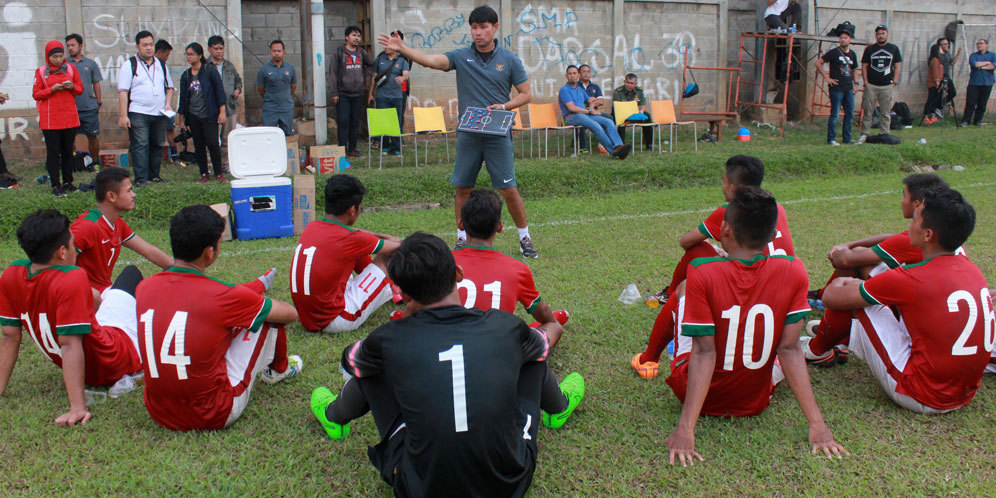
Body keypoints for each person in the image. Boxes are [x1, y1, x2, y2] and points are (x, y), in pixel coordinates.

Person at [309, 232, 585, 496]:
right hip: (509, 483)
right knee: (531, 355)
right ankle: (558, 407)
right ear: (458, 275)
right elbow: (544, 345)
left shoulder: (388, 338)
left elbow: (350, 360)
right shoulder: (506, 327)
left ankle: (334, 416)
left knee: (370, 366)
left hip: (418, 489)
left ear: (404, 294)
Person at [661, 187, 846, 466]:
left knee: (685, 292)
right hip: (754, 402)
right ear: (772, 237)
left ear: (724, 230)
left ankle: (653, 355)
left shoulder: (701, 270)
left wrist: (685, 430)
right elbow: (790, 350)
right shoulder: (795, 269)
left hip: (692, 391)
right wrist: (817, 425)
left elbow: (704, 353)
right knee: (786, 347)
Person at [377, 5, 539, 258]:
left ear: (495, 28)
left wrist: (504, 106)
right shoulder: (461, 56)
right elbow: (432, 61)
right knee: (463, 188)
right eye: (474, 27)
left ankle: (525, 238)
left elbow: (527, 94)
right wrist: (402, 49)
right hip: (469, 134)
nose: (478, 33)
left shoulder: (509, 59)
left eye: (483, 27)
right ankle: (462, 239)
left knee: (508, 190)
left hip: (498, 135)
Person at [820, 187, 993, 414]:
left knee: (859, 298)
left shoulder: (914, 277)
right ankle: (832, 343)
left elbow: (831, 298)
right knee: (878, 295)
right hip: (964, 395)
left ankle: (816, 350)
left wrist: (843, 285)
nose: (910, 225)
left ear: (928, 235)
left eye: (916, 219)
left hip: (921, 395)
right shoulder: (973, 270)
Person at [137, 205, 301, 431]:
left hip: (158, 411)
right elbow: (289, 314)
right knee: (266, 319)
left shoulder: (144, 287)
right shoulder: (222, 294)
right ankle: (279, 370)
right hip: (213, 412)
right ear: (210, 252)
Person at [632, 155, 794, 378]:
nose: (722, 185)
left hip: (748, 293)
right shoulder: (777, 210)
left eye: (724, 181)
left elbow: (685, 242)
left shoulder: (730, 213)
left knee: (688, 281)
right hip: (781, 303)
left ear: (733, 186)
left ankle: (649, 356)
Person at [0, 210, 146, 426]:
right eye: (72, 243)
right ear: (62, 251)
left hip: (84, 365)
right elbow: (69, 344)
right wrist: (77, 407)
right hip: (118, 359)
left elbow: (9, 338)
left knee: (100, 298)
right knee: (131, 275)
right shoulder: (71, 277)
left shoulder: (12, 273)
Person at [803, 174, 958, 366]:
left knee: (851, 281)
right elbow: (895, 238)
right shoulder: (944, 235)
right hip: (944, 329)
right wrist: (851, 244)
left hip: (918, 354)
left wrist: (841, 254)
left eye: (904, 195)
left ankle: (825, 345)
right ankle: (838, 335)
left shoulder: (920, 245)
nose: (901, 201)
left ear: (917, 204)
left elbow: (844, 262)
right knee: (862, 261)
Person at [453, 189, 570, 346]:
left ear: (460, 224)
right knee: (554, 327)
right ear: (500, 227)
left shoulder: (442, 262)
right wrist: (551, 321)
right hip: (499, 353)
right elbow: (543, 313)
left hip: (449, 346)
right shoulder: (517, 268)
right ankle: (554, 321)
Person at [290, 174, 400, 333]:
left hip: (307, 318)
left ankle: (389, 289)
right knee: (387, 258)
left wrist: (382, 237)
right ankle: (401, 290)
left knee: (358, 251)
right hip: (337, 319)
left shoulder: (312, 226)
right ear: (353, 209)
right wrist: (393, 239)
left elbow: (355, 234)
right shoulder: (349, 238)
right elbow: (400, 247)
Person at [70, 167, 173, 303]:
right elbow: (59, 266)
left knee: (146, 284)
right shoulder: (87, 226)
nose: (133, 194)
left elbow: (149, 251)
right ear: (111, 196)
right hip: (92, 299)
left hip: (106, 291)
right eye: (129, 190)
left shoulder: (116, 223)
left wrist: (182, 271)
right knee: (138, 283)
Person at [117, 31, 174, 188]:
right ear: (137, 46)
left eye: (151, 44)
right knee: (140, 145)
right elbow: (123, 91)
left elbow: (170, 87)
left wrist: (168, 104)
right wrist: (123, 115)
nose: (149, 48)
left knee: (157, 143)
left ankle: (154, 175)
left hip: (159, 112)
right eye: (145, 45)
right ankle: (141, 178)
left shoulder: (161, 65)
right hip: (138, 112)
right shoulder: (129, 65)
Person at [33, 40, 83, 197]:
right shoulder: (41, 72)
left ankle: (68, 182)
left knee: (68, 151)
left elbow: (80, 89)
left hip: (69, 117)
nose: (58, 59)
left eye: (61, 56)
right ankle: (56, 184)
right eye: (55, 56)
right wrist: (51, 90)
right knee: (53, 153)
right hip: (50, 120)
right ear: (48, 57)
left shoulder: (70, 68)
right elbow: (36, 94)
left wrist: (71, 87)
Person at [177, 42, 227, 183]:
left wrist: (221, 111)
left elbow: (219, 91)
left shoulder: (209, 71)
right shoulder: (186, 75)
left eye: (192, 54)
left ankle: (218, 173)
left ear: (199, 55)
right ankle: (204, 173)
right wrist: (182, 120)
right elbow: (183, 98)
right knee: (198, 145)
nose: (189, 57)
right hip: (193, 115)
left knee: (212, 143)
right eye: (187, 54)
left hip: (209, 114)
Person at [559, 65, 631, 159]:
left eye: (574, 73)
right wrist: (588, 111)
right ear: (566, 76)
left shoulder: (580, 89)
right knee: (595, 125)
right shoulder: (564, 90)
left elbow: (591, 101)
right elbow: (572, 108)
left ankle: (619, 146)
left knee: (608, 121)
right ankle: (613, 150)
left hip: (585, 115)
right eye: (570, 73)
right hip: (572, 117)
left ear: (578, 75)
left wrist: (592, 106)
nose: (572, 75)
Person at [331, 26, 374, 158]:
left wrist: (363, 73)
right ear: (347, 37)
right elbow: (332, 73)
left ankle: (352, 149)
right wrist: (334, 92)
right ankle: (342, 150)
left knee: (355, 122)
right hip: (343, 94)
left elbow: (373, 65)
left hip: (358, 94)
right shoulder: (339, 52)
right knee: (343, 122)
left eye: (358, 36)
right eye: (354, 35)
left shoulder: (362, 53)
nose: (357, 38)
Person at [368, 30, 409, 156]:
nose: (386, 47)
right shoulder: (380, 58)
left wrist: (402, 78)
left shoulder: (402, 60)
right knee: (383, 121)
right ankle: (384, 146)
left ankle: (396, 148)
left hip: (397, 97)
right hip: (382, 97)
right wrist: (371, 94)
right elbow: (374, 77)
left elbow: (406, 74)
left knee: (396, 121)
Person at [859, 25, 902, 142]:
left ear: (887, 34)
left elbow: (897, 65)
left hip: (887, 85)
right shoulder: (870, 49)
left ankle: (884, 133)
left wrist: (895, 80)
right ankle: (865, 134)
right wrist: (866, 82)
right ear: (875, 35)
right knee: (868, 111)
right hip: (872, 85)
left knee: (885, 111)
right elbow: (864, 66)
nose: (881, 36)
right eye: (878, 34)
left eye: (883, 33)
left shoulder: (893, 49)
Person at [65, 34, 103, 164]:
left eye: (73, 45)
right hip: (70, 108)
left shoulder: (90, 64)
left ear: (80, 46)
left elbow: (96, 83)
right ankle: (73, 162)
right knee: (69, 138)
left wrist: (98, 101)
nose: (70, 48)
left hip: (89, 107)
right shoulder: (64, 65)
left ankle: (95, 162)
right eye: (68, 46)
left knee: (92, 136)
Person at [817, 30, 858, 145]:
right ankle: (831, 139)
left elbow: (854, 69)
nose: (843, 39)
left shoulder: (852, 54)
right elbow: (818, 63)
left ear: (850, 40)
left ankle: (847, 138)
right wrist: (826, 77)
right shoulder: (834, 52)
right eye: (841, 38)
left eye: (845, 37)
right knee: (834, 114)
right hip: (836, 88)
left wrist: (857, 84)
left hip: (848, 88)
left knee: (849, 113)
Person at [206, 35, 243, 161]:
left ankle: (226, 164)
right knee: (212, 140)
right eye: (216, 48)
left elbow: (238, 80)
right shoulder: (206, 66)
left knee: (228, 139)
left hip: (229, 107)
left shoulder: (229, 66)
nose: (219, 51)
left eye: (221, 48)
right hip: (213, 110)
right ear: (210, 49)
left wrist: (238, 89)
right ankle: (210, 165)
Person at [257, 40, 297, 136]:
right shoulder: (264, 70)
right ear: (270, 52)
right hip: (270, 109)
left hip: (286, 108)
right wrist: (270, 99)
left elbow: (293, 86)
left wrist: (285, 97)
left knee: (288, 136)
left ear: (284, 52)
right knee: (269, 136)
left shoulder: (290, 69)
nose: (276, 53)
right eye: (274, 51)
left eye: (279, 51)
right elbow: (261, 89)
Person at [611, 73, 653, 151]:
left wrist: (639, 112)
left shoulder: (639, 91)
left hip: (634, 114)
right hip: (620, 113)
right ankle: (621, 145)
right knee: (619, 120)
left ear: (635, 84)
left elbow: (642, 107)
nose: (629, 85)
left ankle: (649, 144)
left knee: (647, 116)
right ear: (624, 82)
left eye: (631, 83)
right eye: (627, 82)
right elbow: (617, 107)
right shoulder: (618, 91)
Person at [923, 39, 960, 123]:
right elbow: (935, 72)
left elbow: (951, 63)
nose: (947, 46)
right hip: (938, 80)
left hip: (944, 78)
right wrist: (937, 82)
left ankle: (935, 110)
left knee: (949, 93)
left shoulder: (946, 54)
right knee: (932, 98)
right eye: (944, 44)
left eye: (948, 44)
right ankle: (927, 116)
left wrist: (957, 54)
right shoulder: (936, 59)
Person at [962, 39, 996, 127]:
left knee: (982, 103)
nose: (979, 45)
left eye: (981, 43)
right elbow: (974, 64)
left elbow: (993, 66)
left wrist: (981, 66)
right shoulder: (974, 55)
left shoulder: (992, 55)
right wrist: (987, 63)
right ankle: (966, 120)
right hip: (974, 83)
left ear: (986, 45)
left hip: (987, 83)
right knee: (971, 103)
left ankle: (977, 120)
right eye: (978, 43)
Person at [575, 64, 604, 153]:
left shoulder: (595, 87)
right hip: (581, 113)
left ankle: (603, 144)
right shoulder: (575, 86)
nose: (586, 74)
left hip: (594, 113)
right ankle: (583, 147)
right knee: (582, 123)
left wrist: (590, 101)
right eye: (583, 71)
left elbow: (601, 101)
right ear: (579, 74)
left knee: (609, 118)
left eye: (588, 71)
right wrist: (591, 99)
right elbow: (577, 101)